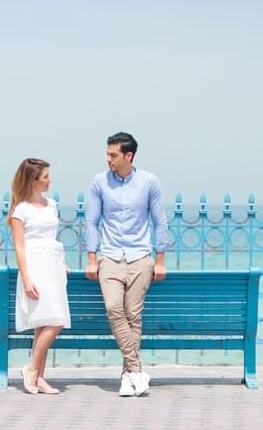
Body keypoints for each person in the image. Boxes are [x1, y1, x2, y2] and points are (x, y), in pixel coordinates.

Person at [85, 131, 168, 397]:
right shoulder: (99, 182)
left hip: (140, 257)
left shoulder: (149, 182)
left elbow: (160, 221)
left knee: (133, 316)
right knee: (113, 308)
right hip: (109, 256)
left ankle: (127, 377)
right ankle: (136, 370)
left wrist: (160, 260)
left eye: (113, 155)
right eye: (107, 154)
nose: (108, 159)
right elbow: (91, 222)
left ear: (128, 156)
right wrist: (90, 258)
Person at [8, 157, 70, 395]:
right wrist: (26, 278)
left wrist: (61, 263)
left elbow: (51, 238)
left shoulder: (51, 205)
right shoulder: (20, 210)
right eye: (45, 177)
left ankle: (39, 376)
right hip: (35, 267)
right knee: (55, 322)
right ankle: (32, 369)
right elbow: (20, 246)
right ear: (33, 180)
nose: (49, 180)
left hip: (52, 265)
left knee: (46, 322)